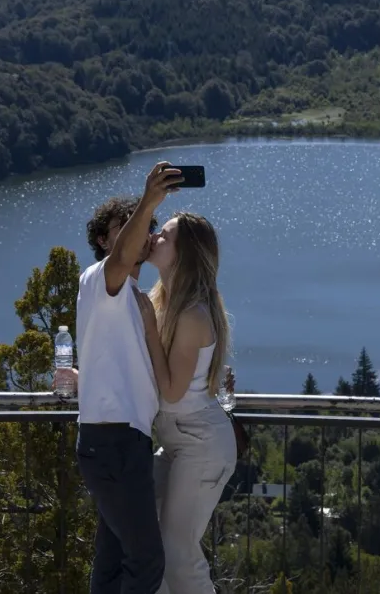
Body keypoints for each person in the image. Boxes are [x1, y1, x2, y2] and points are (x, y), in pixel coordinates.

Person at [58, 162, 184, 594]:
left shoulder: (134, 299)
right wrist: (148, 200)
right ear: (102, 240)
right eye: (126, 225)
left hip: (124, 441)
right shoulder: (100, 281)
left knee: (113, 561)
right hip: (113, 443)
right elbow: (121, 261)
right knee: (147, 561)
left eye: (145, 225)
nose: (142, 231)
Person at [133, 210, 238, 594]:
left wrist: (148, 328)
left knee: (179, 554)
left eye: (165, 235)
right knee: (143, 540)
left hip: (201, 445)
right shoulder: (162, 302)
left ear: (184, 253)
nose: (154, 236)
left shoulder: (191, 315)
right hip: (179, 441)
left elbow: (172, 391)